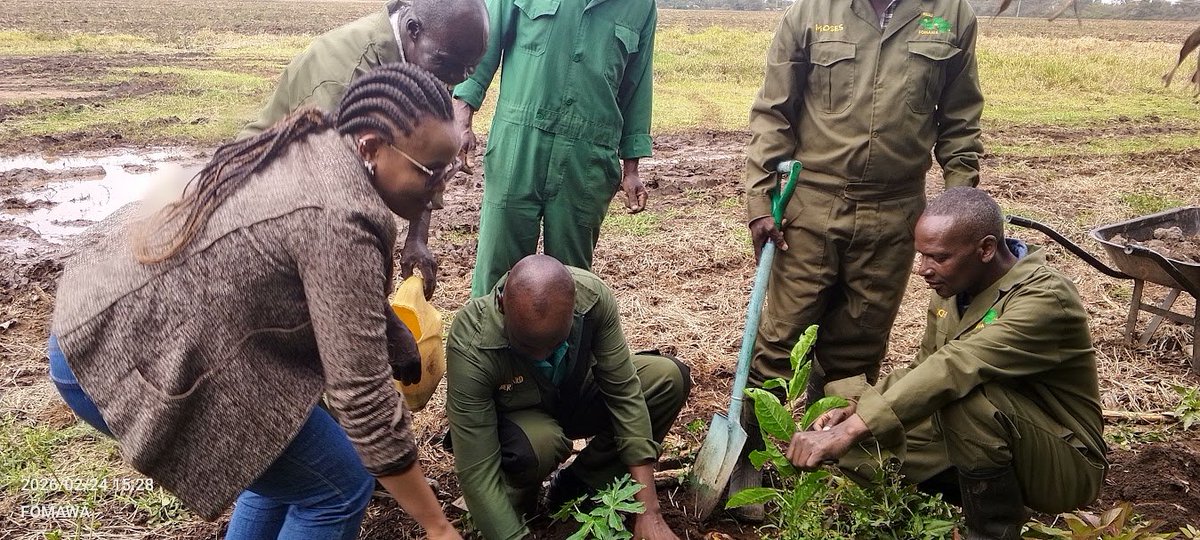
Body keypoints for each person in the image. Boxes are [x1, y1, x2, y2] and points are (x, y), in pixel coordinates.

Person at [49, 64, 464, 540]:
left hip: (120, 317)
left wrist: (393, 335)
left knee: (278, 454)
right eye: (432, 172)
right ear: (371, 147)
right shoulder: (340, 216)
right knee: (340, 482)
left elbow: (332, 282)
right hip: (118, 352)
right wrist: (436, 525)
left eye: (449, 169)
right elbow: (362, 398)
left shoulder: (326, 143)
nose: (442, 193)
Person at [733, 0, 987, 519]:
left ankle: (832, 457)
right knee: (780, 341)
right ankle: (748, 459)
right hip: (810, 204)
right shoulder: (809, 12)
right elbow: (772, 112)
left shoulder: (952, 16)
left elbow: (960, 123)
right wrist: (760, 202)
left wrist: (963, 207)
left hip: (895, 214)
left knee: (859, 345)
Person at [785, 188, 1107, 539]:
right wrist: (855, 409)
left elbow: (956, 366)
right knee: (859, 436)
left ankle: (992, 531)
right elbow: (926, 365)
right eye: (921, 256)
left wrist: (852, 427)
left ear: (985, 249)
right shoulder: (954, 292)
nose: (923, 270)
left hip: (1065, 462)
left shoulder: (1045, 299)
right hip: (996, 438)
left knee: (966, 402)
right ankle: (981, 499)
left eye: (937, 257)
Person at [239, 0, 490, 299]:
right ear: (413, 30)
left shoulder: (437, 56)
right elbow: (332, 210)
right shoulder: (345, 80)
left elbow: (426, 156)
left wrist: (417, 238)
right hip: (258, 208)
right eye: (451, 65)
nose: (459, 78)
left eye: (470, 69)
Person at [445, 255, 690, 540]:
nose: (541, 356)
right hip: (521, 425)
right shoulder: (471, 341)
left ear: (572, 310)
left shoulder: (592, 299)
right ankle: (518, 505)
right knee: (542, 443)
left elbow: (624, 393)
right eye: (526, 346)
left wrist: (649, 512)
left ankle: (578, 486)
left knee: (667, 379)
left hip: (571, 395)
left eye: (554, 345)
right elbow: (476, 468)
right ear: (502, 306)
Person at [452, 0, 656, 298]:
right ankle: (485, 344)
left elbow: (638, 84)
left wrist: (632, 168)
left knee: (570, 282)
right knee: (496, 268)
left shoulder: (640, 6)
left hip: (588, 158)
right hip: (518, 141)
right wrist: (462, 114)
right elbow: (487, 39)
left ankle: (566, 347)